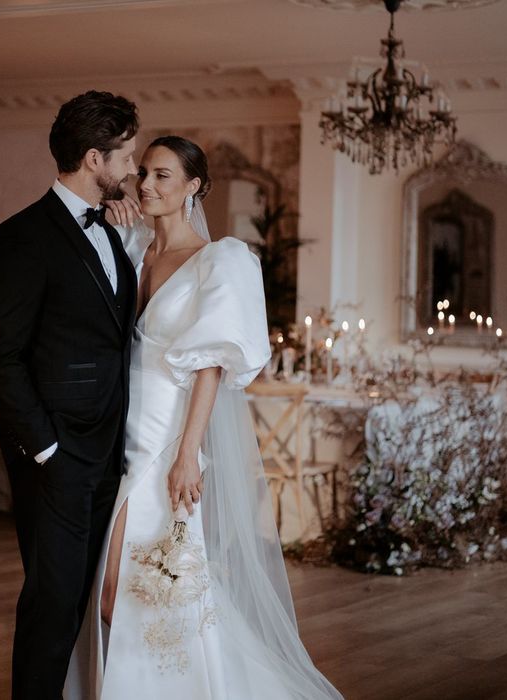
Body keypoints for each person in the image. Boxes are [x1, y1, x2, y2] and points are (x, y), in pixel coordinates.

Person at [65, 136, 342, 699]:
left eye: (163, 176)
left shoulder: (222, 260)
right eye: (144, 172)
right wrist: (110, 227)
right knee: (114, 589)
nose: (146, 185)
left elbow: (212, 365)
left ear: (194, 187)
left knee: (127, 588)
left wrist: (188, 453)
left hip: (166, 441)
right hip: (114, 436)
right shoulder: (132, 246)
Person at [0, 90, 141, 699]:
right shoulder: (21, 237)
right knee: (51, 604)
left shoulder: (114, 231)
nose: (131, 168)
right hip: (54, 457)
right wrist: (46, 449)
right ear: (95, 159)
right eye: (124, 156)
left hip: (107, 453)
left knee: (77, 603)